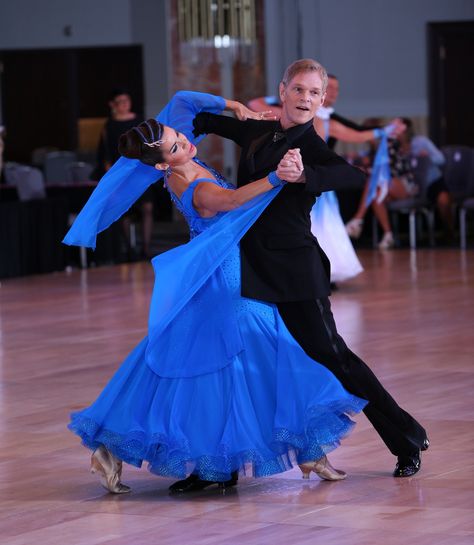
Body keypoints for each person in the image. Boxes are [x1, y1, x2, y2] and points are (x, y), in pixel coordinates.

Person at [65, 90, 367, 494]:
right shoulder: (187, 181)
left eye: (179, 135)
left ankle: (295, 452)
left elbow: (183, 100)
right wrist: (278, 176)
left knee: (219, 361)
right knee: (252, 354)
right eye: (175, 145)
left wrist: (233, 107)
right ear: (161, 163)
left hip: (226, 273)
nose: (186, 141)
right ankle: (299, 450)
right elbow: (232, 199)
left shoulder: (188, 161)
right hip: (221, 282)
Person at [189, 59, 429, 488]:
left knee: (334, 358)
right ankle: (219, 467)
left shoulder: (311, 145)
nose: (305, 99)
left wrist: (305, 175)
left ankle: (407, 437)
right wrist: (233, 107)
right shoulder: (258, 130)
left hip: (293, 270)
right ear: (282, 91)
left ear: (321, 101)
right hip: (246, 266)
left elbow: (348, 174)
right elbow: (196, 116)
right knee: (233, 362)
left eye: (314, 93)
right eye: (298, 90)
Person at [96, 88, 156, 259]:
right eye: (120, 102)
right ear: (113, 105)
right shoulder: (109, 126)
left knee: (147, 207)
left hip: (140, 172)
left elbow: (148, 145)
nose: (124, 105)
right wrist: (112, 177)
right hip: (121, 174)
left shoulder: (138, 121)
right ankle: (130, 248)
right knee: (123, 210)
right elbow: (105, 153)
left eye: (126, 101)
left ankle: (146, 247)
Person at [345, 118, 420, 249]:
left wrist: (366, 169)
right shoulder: (374, 149)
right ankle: (388, 234)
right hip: (387, 186)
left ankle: (357, 219)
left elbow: (386, 170)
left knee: (373, 183)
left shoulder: (390, 143)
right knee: (376, 196)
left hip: (405, 184)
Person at [400, 117, 454, 239]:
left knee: (443, 201)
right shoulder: (395, 148)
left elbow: (441, 159)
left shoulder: (420, 142)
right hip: (413, 185)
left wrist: (427, 157)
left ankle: (449, 231)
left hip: (431, 181)